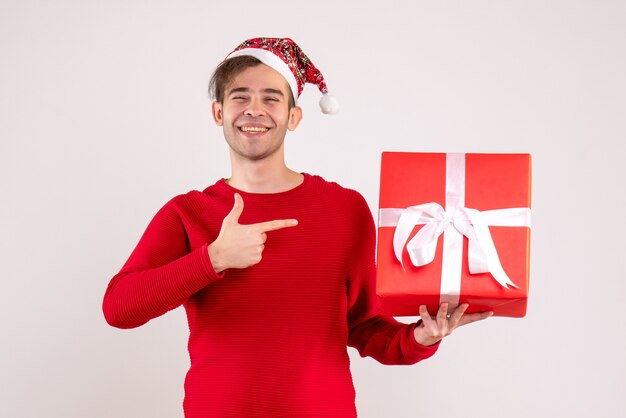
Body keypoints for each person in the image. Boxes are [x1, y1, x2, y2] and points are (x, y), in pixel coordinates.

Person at [102, 37, 492, 418]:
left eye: (271, 98)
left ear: (293, 117)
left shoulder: (344, 208)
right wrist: (213, 258)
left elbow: (366, 326)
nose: (254, 109)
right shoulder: (188, 212)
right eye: (240, 97)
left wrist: (419, 338)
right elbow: (119, 308)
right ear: (218, 112)